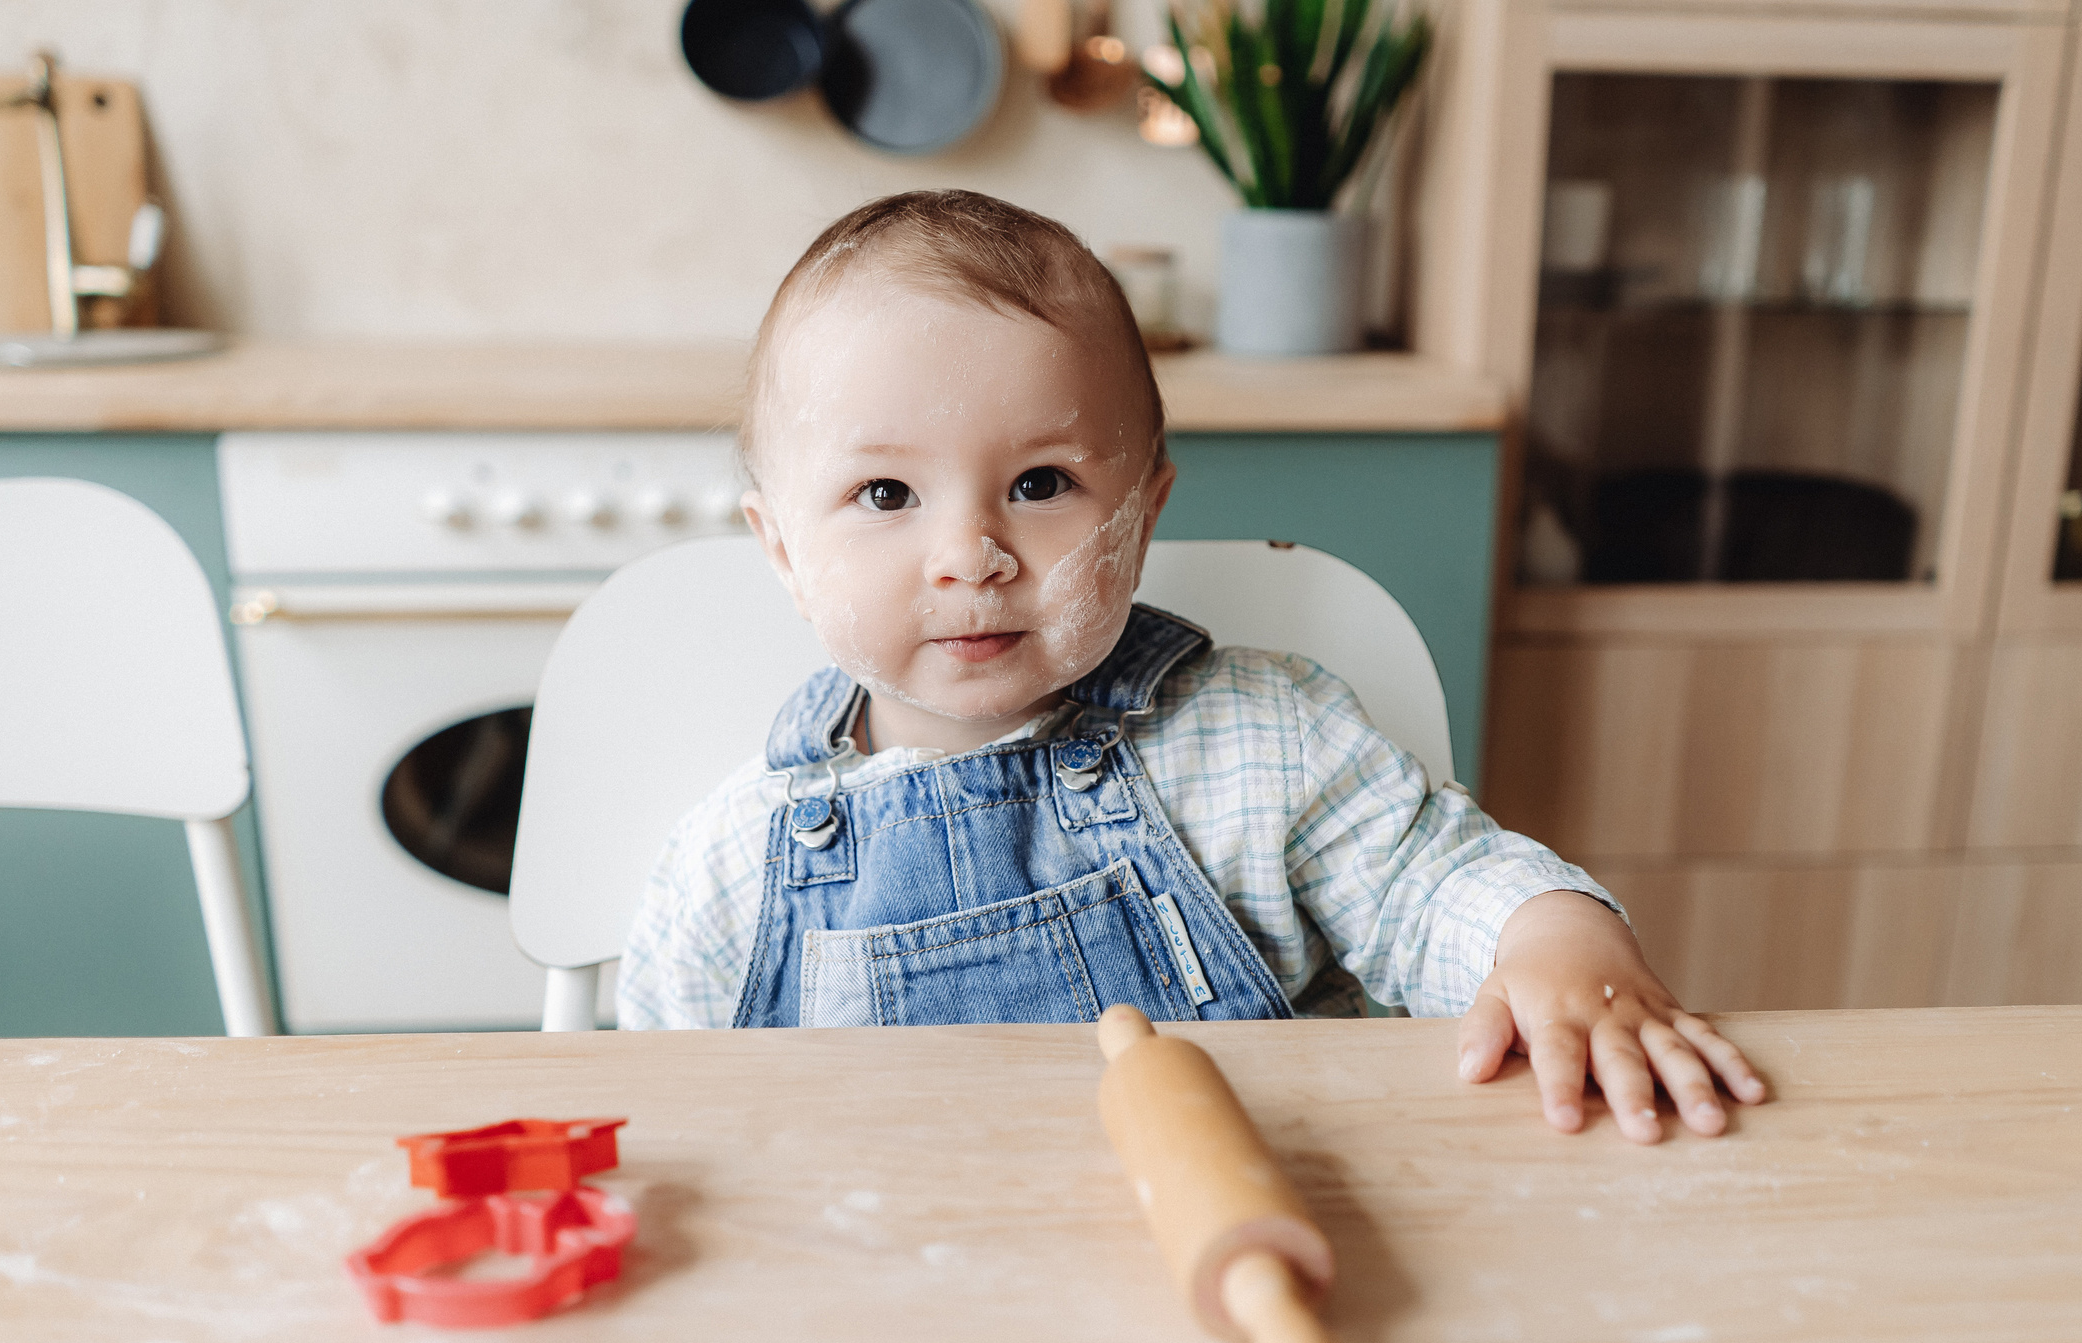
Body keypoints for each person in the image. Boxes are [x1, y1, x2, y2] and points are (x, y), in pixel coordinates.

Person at [621, 191, 1765, 1144]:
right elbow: (675, 1123)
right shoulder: (731, 862)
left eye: (1039, 484)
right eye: (886, 495)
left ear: (1144, 507)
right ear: (780, 546)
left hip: (1271, 1223)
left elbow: (1431, 887)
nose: (969, 556)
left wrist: (1551, 937)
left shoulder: (1263, 741)